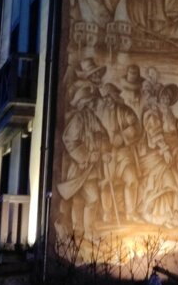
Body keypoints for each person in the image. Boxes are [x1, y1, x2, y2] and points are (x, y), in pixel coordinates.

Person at [139, 83, 178, 227]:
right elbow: (155, 135)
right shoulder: (153, 114)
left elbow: (177, 133)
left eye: (168, 97)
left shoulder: (171, 115)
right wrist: (165, 150)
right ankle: (161, 213)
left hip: (173, 150)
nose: (166, 98)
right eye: (164, 96)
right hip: (156, 153)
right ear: (159, 97)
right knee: (167, 176)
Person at [57, 83, 110, 237]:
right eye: (90, 101)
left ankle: (81, 230)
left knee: (82, 198)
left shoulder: (92, 118)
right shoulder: (78, 119)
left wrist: (104, 151)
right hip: (80, 167)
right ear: (83, 103)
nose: (93, 104)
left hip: (91, 168)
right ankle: (85, 230)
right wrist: (86, 155)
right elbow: (69, 140)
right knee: (89, 198)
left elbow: (103, 135)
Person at [97, 83, 142, 223]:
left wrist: (123, 136)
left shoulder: (124, 111)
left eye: (109, 97)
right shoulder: (101, 114)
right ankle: (107, 212)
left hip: (124, 154)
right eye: (105, 98)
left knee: (132, 179)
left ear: (114, 96)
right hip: (108, 155)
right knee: (106, 183)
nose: (107, 100)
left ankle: (131, 212)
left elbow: (137, 127)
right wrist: (103, 151)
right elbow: (97, 134)